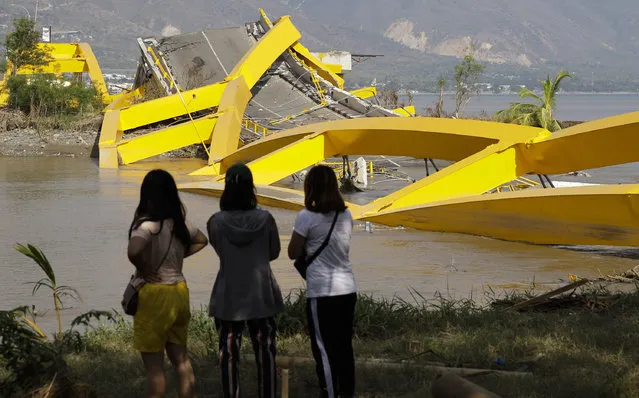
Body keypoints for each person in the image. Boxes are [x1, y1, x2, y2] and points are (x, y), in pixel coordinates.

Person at [127, 169, 208, 398]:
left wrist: (144, 268)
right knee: (181, 361)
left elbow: (134, 250)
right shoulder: (179, 224)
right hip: (179, 292)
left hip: (154, 295)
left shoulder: (146, 225)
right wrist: (180, 258)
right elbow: (202, 240)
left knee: (154, 368)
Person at [206, 162, 284, 398]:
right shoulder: (267, 219)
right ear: (252, 189)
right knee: (266, 353)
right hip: (261, 293)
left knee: (229, 354)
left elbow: (220, 250)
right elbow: (274, 253)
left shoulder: (215, 222)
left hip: (229, 294)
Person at [287, 165, 357, 398]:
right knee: (344, 347)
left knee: (323, 350)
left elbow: (292, 252)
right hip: (347, 290)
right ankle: (347, 392)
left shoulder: (306, 217)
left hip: (321, 293)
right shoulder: (346, 215)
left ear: (310, 188)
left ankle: (328, 392)